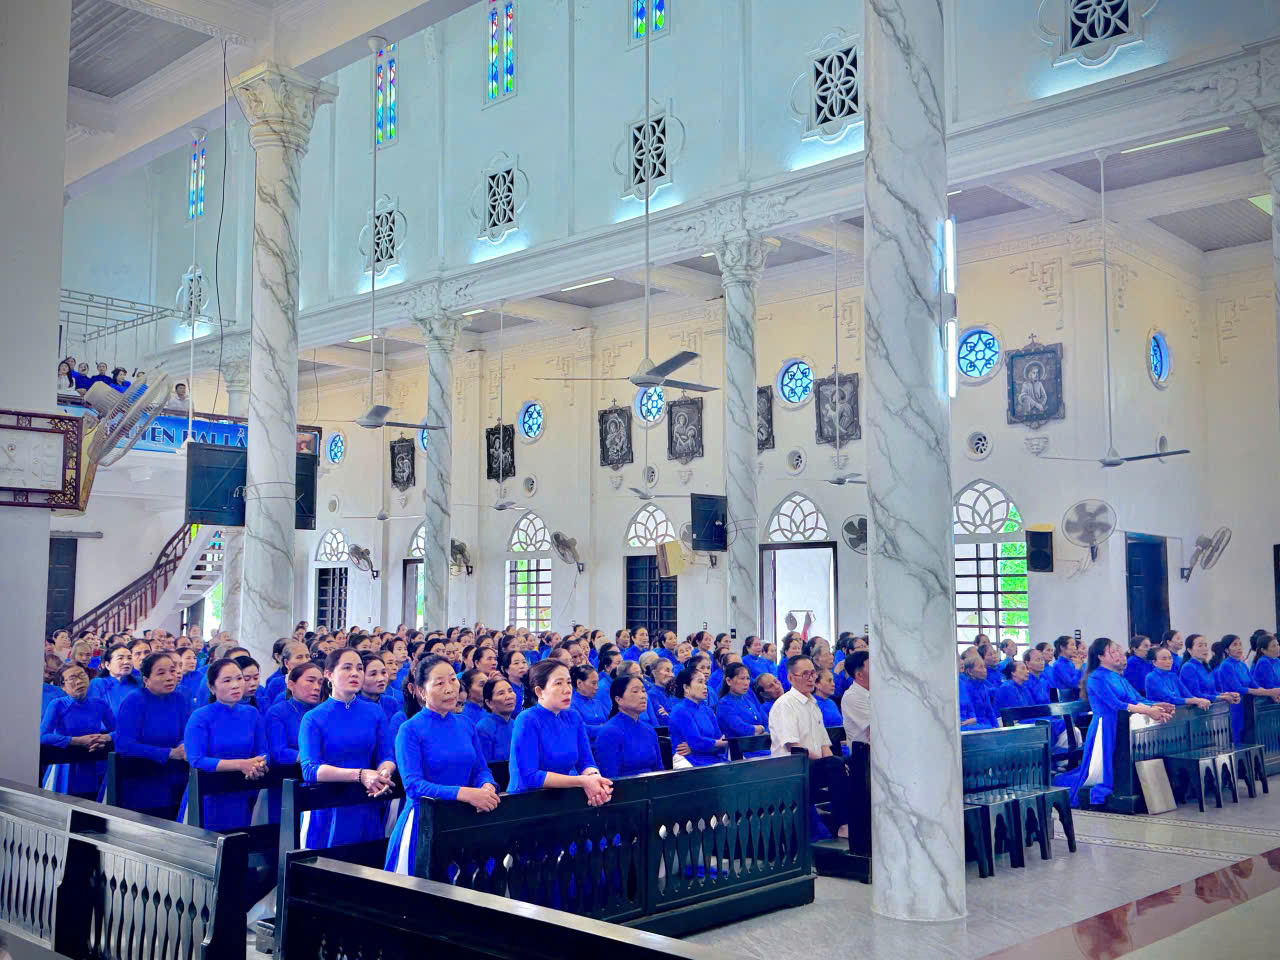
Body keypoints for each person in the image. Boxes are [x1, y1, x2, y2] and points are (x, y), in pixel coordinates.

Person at [384, 656, 499, 874]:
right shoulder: (410, 730)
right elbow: (413, 786)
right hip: (424, 823)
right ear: (421, 691)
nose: (450, 688)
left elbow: (480, 769)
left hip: (465, 817)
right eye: (439, 683)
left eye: (453, 680)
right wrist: (464, 793)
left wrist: (486, 786)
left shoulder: (466, 724)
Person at [298, 649, 397, 848]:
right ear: (329, 674)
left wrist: (384, 772)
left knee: (367, 861)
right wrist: (360, 775)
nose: (355, 673)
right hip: (327, 805)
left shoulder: (374, 712)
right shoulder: (313, 718)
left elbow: (386, 756)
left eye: (359, 668)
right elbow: (310, 769)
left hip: (366, 800)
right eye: (347, 668)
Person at [1060, 638, 1174, 807]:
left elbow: (1136, 699)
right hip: (1105, 726)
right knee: (1099, 770)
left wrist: (1157, 705)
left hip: (1120, 724)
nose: (1117, 655)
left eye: (1117, 651)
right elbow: (1116, 704)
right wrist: (1148, 711)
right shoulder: (1096, 677)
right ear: (1100, 656)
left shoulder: (1117, 677)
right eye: (1112, 652)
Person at [508, 660, 612, 803]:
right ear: (539, 691)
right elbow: (530, 776)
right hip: (526, 801)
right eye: (558, 683)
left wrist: (594, 778)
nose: (567, 690)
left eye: (568, 682)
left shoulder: (573, 717)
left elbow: (586, 761)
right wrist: (582, 781)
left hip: (560, 797)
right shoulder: (527, 720)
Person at [768, 655, 850, 837]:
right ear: (791, 678)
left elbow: (824, 745)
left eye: (813, 673)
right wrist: (830, 762)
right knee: (834, 764)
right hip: (791, 770)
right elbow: (794, 747)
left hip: (812, 766)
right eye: (805, 674)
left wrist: (836, 762)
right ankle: (842, 825)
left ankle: (854, 821)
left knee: (850, 763)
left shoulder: (813, 704)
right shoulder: (785, 705)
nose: (811, 678)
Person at [183, 658, 269, 830]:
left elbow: (263, 751)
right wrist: (241, 764)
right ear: (212, 687)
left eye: (239, 678)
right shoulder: (200, 716)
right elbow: (197, 760)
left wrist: (259, 765)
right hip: (207, 794)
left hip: (241, 791)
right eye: (227, 680)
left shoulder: (252, 714)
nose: (236, 685)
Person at [113, 652, 190, 818]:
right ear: (146, 680)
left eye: (172, 671)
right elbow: (124, 746)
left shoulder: (179, 699)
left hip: (173, 776)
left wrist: (183, 745)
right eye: (161, 673)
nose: (170, 677)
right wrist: (170, 753)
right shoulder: (134, 701)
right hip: (136, 779)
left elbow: (184, 733)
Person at [40, 663, 114, 797]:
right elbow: (42, 736)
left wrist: (105, 738)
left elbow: (121, 731)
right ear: (62, 686)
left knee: (90, 803)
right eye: (72, 678)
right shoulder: (58, 705)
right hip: (63, 766)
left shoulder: (100, 704)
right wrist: (77, 741)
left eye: (82, 675)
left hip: (92, 763)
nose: (79, 681)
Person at [1211, 634, 1280, 742]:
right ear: (1227, 650)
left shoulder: (1242, 665)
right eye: (1235, 645)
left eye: (1240, 644)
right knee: (1238, 736)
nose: (1239, 648)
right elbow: (1238, 688)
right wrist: (1268, 692)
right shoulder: (1226, 665)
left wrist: (1270, 692)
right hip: (1235, 705)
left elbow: (1254, 684)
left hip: (1248, 704)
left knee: (1250, 736)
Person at [594, 676, 663, 780]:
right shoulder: (609, 732)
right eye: (635, 691)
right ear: (619, 700)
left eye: (643, 691)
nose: (643, 696)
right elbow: (610, 778)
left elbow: (660, 771)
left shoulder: (649, 730)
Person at [667, 665, 728, 766]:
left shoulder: (707, 710)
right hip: (688, 759)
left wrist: (696, 748)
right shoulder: (680, 710)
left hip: (710, 757)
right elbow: (696, 741)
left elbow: (719, 743)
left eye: (705, 683)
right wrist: (717, 743)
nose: (705, 687)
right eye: (700, 682)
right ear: (686, 687)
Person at [1143, 647, 1211, 709]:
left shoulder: (1173, 676)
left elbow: (1188, 695)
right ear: (1154, 662)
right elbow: (1169, 699)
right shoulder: (1151, 677)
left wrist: (1199, 701)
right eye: (1164, 659)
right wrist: (1196, 701)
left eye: (1170, 658)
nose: (1168, 661)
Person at [716, 662, 768, 737]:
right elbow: (740, 728)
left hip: (760, 741)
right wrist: (760, 729)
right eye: (742, 679)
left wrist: (765, 730)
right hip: (739, 743)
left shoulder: (749, 698)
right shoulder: (724, 704)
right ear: (729, 681)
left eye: (748, 679)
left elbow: (766, 721)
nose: (746, 683)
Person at [475, 677, 518, 762]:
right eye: (501, 693)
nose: (509, 696)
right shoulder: (483, 729)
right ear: (489, 703)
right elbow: (484, 765)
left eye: (510, 691)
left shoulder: (516, 724)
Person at [88, 643, 139, 715]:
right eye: (120, 658)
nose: (126, 662)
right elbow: (94, 713)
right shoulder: (97, 684)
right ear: (107, 665)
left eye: (129, 658)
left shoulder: (140, 682)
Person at [1180, 634, 1232, 703]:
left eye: (1205, 645)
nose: (1205, 648)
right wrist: (1221, 697)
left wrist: (1226, 694)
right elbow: (1195, 695)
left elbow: (1212, 692)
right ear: (1190, 650)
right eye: (1200, 646)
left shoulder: (1206, 666)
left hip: (1210, 706)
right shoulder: (1188, 667)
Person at [569, 664, 609, 743]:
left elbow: (610, 722)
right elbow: (581, 728)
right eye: (593, 683)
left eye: (597, 683)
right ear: (579, 683)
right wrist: (605, 729)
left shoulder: (598, 703)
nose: (597, 687)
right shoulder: (572, 706)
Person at [840, 650, 871, 746]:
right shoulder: (852, 697)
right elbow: (876, 730)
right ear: (859, 675)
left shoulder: (879, 692)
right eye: (873, 667)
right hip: (866, 752)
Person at [359, 652, 399, 720]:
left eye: (383, 672)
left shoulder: (391, 703)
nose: (381, 678)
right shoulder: (351, 706)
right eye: (373, 674)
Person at [640, 653, 674, 724]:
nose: (671, 675)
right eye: (667, 671)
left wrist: (669, 715)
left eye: (672, 671)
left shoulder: (675, 693)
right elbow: (663, 720)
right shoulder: (652, 695)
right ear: (654, 673)